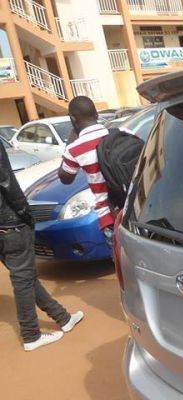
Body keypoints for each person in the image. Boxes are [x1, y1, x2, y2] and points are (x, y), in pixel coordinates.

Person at [0, 142, 83, 351]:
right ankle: (31, 335)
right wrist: (25, 212)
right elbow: (7, 182)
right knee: (23, 278)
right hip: (9, 223)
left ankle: (62, 317)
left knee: (25, 276)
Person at [58, 96, 114, 248]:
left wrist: (70, 142)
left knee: (123, 265)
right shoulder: (122, 132)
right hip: (136, 209)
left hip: (110, 217)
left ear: (73, 119)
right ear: (96, 115)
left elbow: (65, 178)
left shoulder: (75, 149)